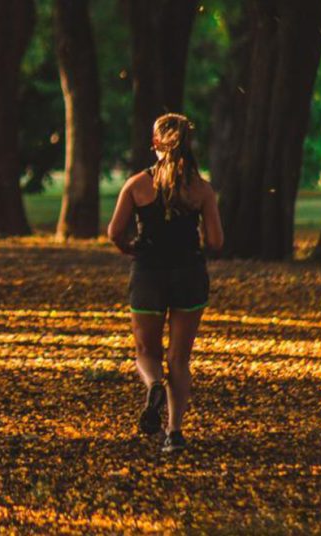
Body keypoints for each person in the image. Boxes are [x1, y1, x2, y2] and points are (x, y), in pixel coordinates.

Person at [107, 113, 223, 453]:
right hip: (189, 274)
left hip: (148, 273)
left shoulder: (137, 185)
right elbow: (216, 241)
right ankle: (174, 432)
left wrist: (131, 249)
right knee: (179, 358)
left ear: (156, 143)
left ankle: (153, 384)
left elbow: (114, 232)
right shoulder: (201, 189)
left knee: (146, 351)